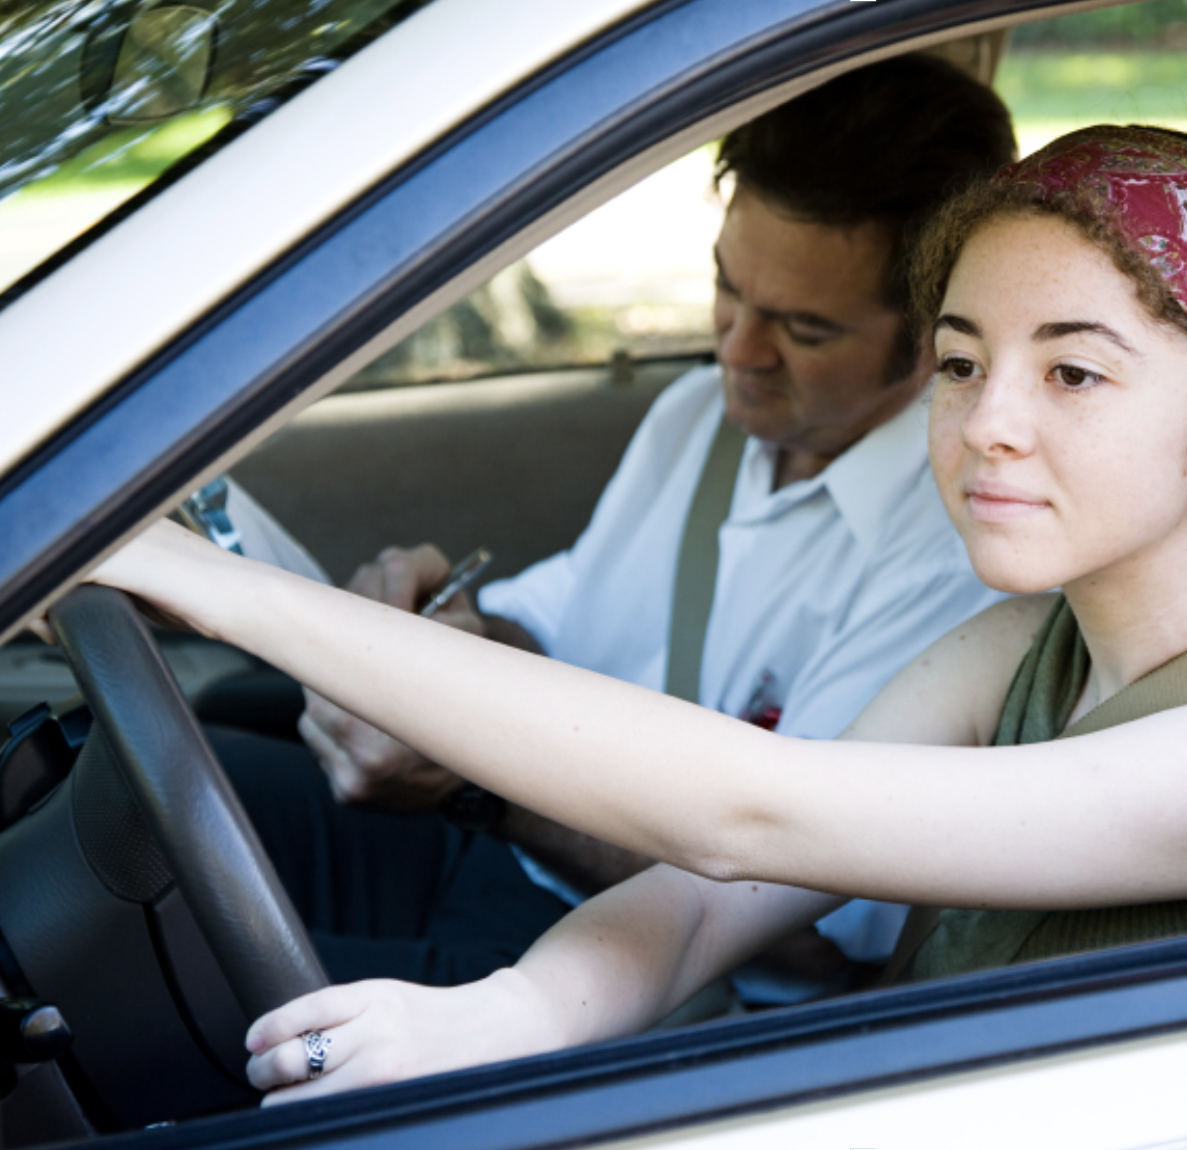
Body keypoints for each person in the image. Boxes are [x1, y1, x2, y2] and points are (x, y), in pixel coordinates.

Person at [69, 124, 1187, 1101]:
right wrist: (498, 1017)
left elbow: (748, 814)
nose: (986, 428)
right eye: (960, 364)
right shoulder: (1033, 639)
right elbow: (720, 891)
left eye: (1071, 373)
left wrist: (200, 575)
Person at [207, 54, 1018, 999]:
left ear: (932, 336)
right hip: (496, 864)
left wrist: (476, 784)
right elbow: (553, 628)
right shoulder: (694, 421)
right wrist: (444, 626)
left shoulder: (953, 548)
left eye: (803, 329)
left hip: (665, 982)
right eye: (727, 290)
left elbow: (813, 939)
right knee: (154, 806)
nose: (738, 351)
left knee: (181, 996)